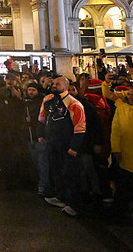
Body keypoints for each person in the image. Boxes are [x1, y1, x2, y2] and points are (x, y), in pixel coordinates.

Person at [38, 75, 86, 217]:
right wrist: (40, 134)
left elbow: (80, 126)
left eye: (57, 83)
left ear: (65, 86)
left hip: (67, 145)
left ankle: (74, 204)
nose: (53, 85)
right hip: (52, 143)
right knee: (56, 171)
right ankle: (60, 196)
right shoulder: (47, 100)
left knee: (69, 173)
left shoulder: (74, 104)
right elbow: (41, 118)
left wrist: (74, 146)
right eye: (53, 83)